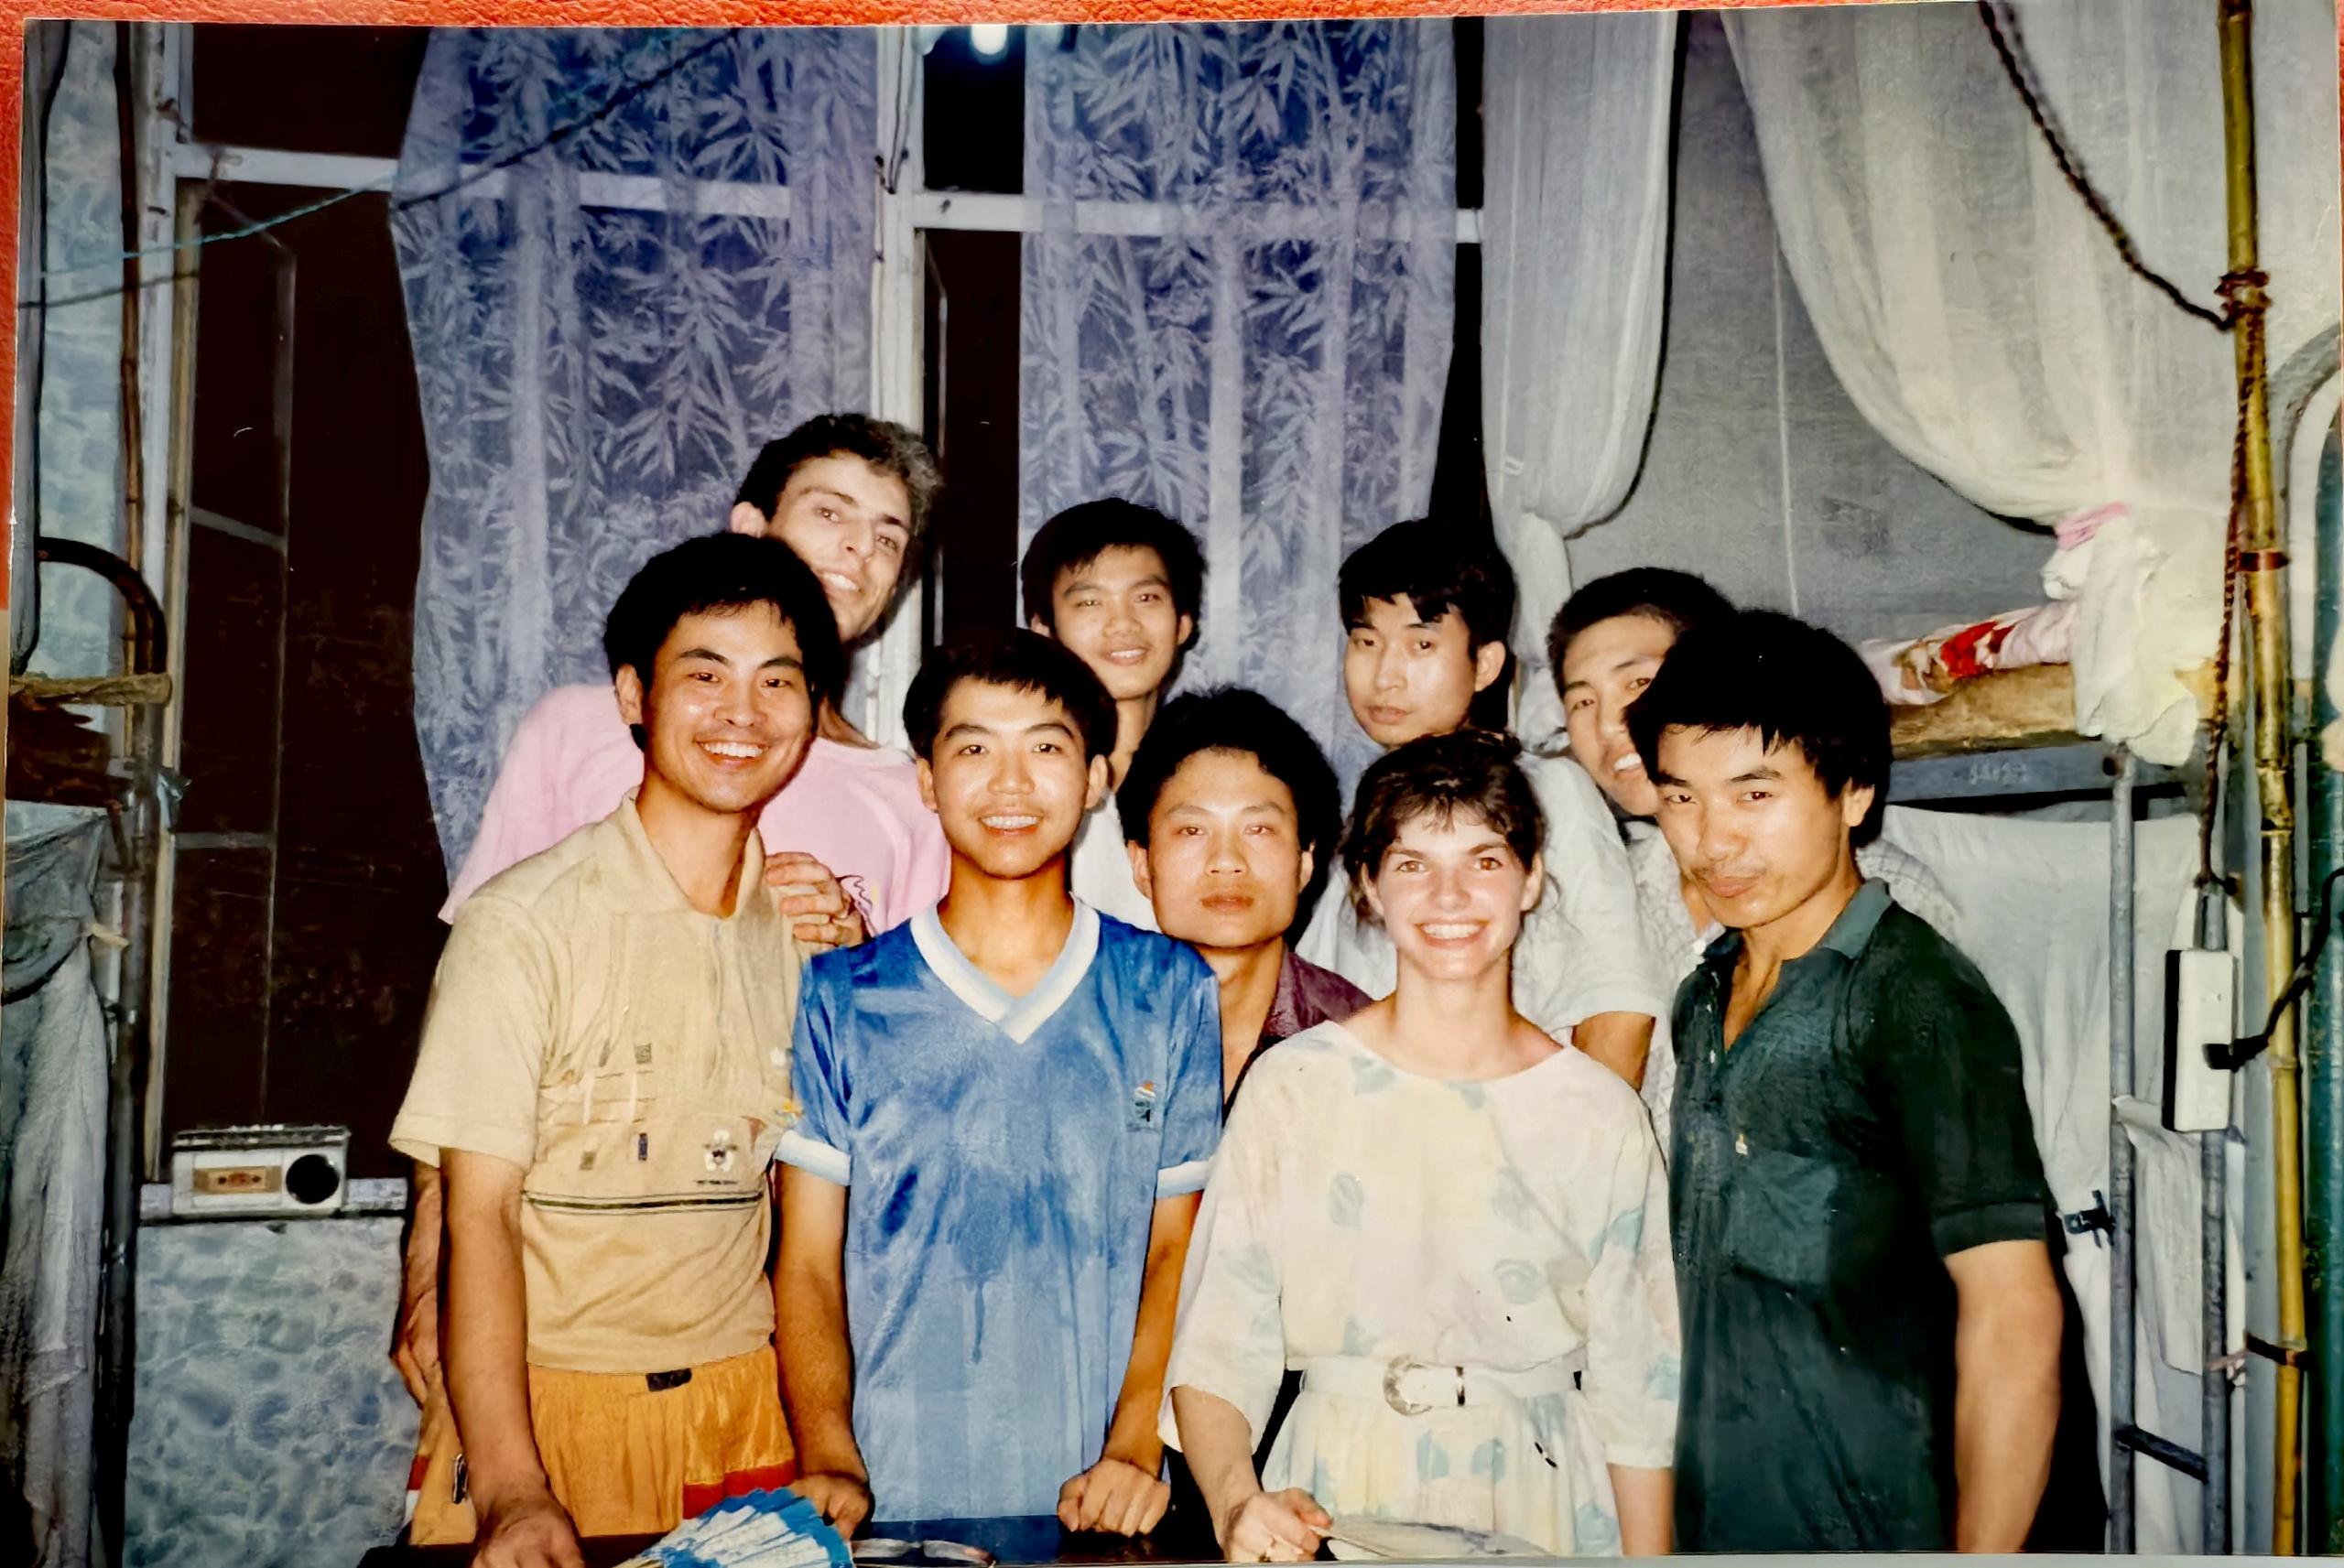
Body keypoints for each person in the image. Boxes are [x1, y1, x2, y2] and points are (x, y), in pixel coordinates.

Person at [394, 415, 950, 1411]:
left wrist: (856, 951)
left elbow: (908, 1074)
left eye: (886, 536)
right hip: (552, 1310)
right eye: (829, 515)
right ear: (750, 526)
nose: (855, 553)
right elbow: (472, 1024)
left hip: (773, 1308)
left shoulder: (906, 797)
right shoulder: (586, 727)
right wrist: (428, 1257)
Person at [390, 534, 841, 1562]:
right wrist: (511, 1489)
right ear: (636, 694)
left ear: (812, 713)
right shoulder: (524, 923)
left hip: (746, 1414)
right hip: (545, 1416)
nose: (742, 712)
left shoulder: (800, 937)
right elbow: (479, 1216)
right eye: (705, 675)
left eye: (777, 681)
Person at [1164, 730, 1678, 1562]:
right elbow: (1218, 1346)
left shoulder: (1598, 1111)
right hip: (1336, 1494)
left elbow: (1641, 1395)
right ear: (1369, 885)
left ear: (1531, 878)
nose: (1450, 896)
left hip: (1543, 1494)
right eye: (1412, 864)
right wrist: (1235, 1506)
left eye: (1484, 860)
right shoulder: (1296, 1085)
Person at [1629, 610, 2062, 1552]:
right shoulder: (1705, 992)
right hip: (1729, 1514)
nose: (1712, 840)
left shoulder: (1912, 996)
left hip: (1884, 1523)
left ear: (1854, 791)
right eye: (1680, 797)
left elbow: (2012, 1309)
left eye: (1754, 794)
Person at [776, 633, 1224, 1536]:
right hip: (889, 1499)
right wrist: (828, 1453)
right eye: (975, 747)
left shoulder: (1168, 989)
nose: (1011, 784)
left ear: (1095, 777)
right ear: (927, 779)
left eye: (1046, 747)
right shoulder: (843, 996)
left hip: (1101, 1503)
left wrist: (1136, 1443)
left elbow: (1176, 1250)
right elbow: (809, 1262)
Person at [1549, 567, 1963, 1145]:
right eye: (1582, 701)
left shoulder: (1883, 906)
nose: (1612, 725)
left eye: (1638, 683)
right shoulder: (1605, 893)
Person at [1297, 518, 1666, 1090]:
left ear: (1486, 665)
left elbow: (1618, 1002)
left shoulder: (1545, 789)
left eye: (1421, 645)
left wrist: (1575, 1142)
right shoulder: (1370, 810)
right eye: (1367, 642)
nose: (1386, 676)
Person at [1119, 687, 1368, 1105]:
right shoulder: (1087, 1026)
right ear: (1142, 864)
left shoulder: (1364, 1042)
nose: (1227, 861)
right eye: (1192, 831)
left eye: (1258, 829)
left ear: (1305, 861)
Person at [1022, 498, 1206, 931]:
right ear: (1044, 629)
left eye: (1146, 597)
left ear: (1182, 623)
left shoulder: (1209, 770)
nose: (1123, 624)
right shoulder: (1026, 781)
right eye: (1090, 603)